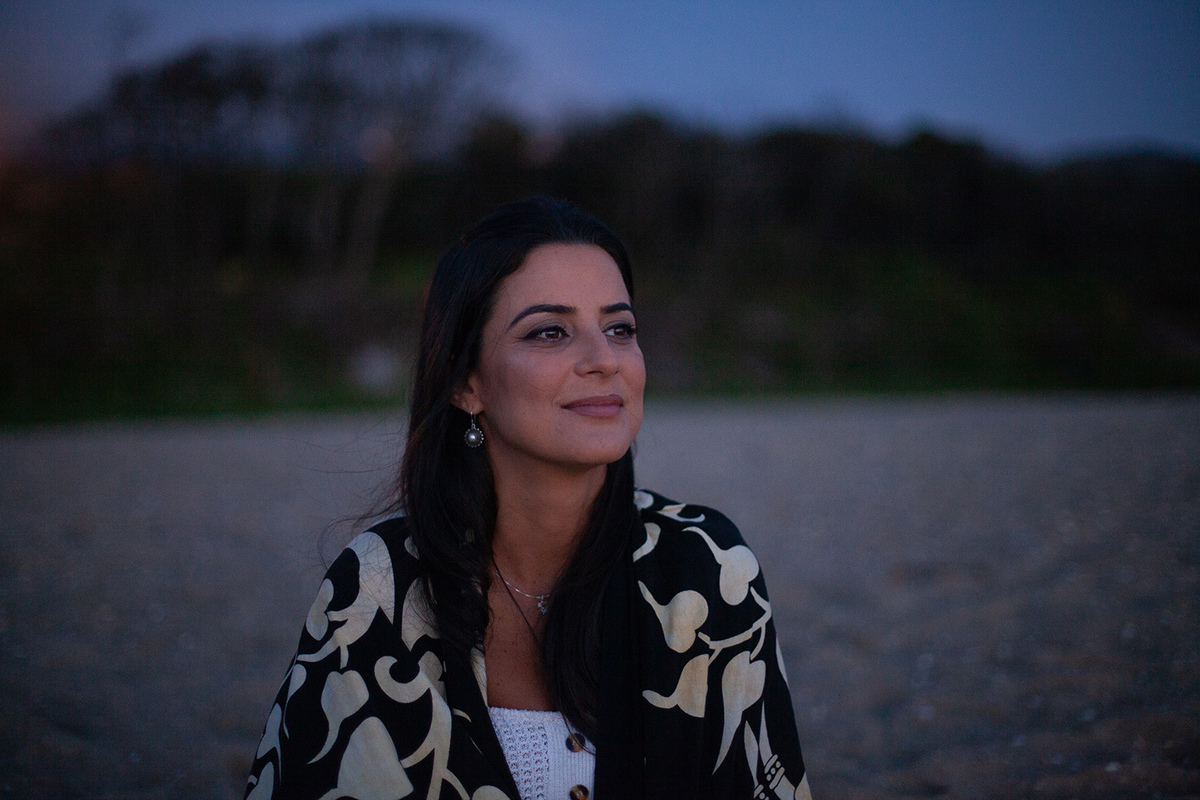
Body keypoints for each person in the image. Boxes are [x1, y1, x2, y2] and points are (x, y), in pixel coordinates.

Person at [245, 196, 811, 800]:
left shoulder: (708, 566)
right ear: (466, 382)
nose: (604, 360)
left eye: (620, 328)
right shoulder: (379, 589)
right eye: (550, 332)